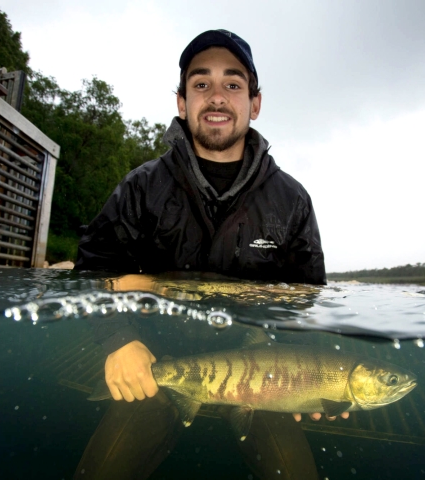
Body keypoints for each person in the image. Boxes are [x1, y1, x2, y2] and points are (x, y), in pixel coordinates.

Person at [74, 29, 341, 479]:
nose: (217, 97)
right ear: (181, 101)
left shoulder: (294, 201)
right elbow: (90, 273)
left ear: (255, 103)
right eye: (201, 84)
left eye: (233, 84)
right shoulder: (140, 188)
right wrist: (118, 341)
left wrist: (319, 383)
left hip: (264, 380)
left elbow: (306, 302)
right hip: (158, 367)